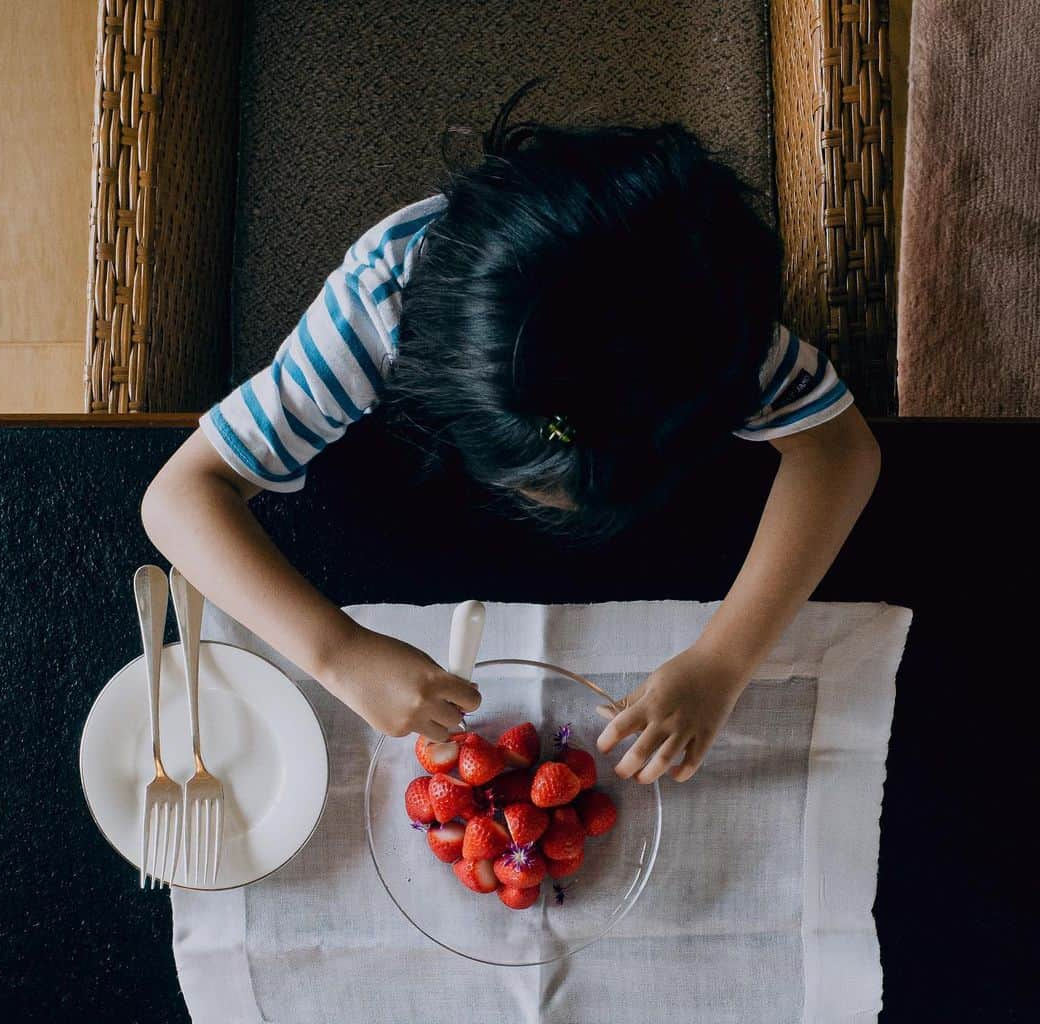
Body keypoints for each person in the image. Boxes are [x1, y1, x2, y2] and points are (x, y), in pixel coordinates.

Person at [141, 79, 881, 786]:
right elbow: (179, 497)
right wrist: (335, 653)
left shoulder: (717, 342)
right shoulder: (383, 303)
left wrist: (723, 662)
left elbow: (840, 448)